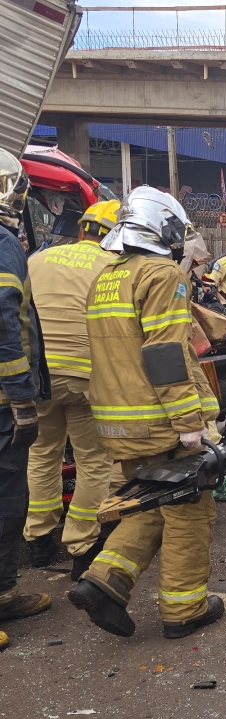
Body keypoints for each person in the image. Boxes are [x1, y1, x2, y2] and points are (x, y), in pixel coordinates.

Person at [68, 186, 223, 640]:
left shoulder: (107, 275)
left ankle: (103, 582)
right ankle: (184, 609)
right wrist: (189, 424)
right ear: (163, 228)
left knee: (151, 504)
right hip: (159, 421)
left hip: (116, 422)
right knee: (191, 513)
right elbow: (164, 354)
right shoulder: (160, 274)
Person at [23, 200, 117, 580]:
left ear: (82, 230)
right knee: (93, 460)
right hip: (85, 378)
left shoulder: (37, 260)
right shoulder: (112, 267)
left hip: (38, 376)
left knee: (41, 452)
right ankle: (81, 547)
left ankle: (39, 539)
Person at [0, 148, 51, 646]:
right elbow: (5, 324)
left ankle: (4, 593)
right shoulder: (3, 243)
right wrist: (20, 396)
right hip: (1, 398)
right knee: (6, 499)